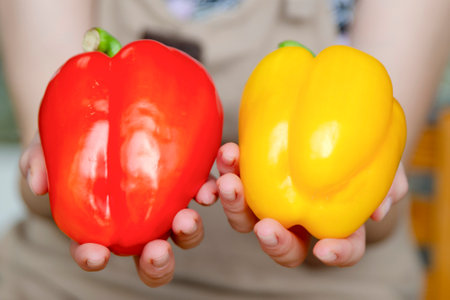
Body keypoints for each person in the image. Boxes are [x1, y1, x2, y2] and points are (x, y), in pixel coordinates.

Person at [0, 0, 449, 298]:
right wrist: (50, 178)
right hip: (60, 286)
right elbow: (49, 170)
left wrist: (365, 211)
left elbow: (380, 187)